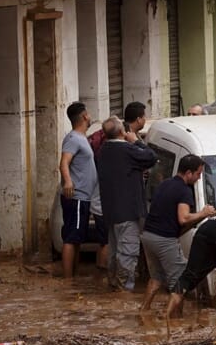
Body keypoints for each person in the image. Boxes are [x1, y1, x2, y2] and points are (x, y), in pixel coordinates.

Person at [140, 155, 216, 311]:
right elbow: (183, 218)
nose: (199, 178)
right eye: (198, 174)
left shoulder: (165, 184)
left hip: (148, 236)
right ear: (188, 173)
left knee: (156, 277)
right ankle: (173, 319)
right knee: (181, 281)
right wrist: (203, 213)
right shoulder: (184, 190)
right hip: (164, 240)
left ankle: (144, 310)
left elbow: (169, 215)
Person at [96, 116, 156, 291]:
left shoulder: (103, 150)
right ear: (122, 132)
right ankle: (124, 292)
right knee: (127, 253)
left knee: (115, 252)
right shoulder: (127, 150)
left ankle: (114, 285)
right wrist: (136, 141)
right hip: (128, 212)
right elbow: (151, 157)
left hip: (110, 212)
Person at [59, 102, 106, 279]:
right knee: (72, 237)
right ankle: (68, 280)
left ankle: (73, 277)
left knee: (77, 238)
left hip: (84, 197)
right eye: (89, 112)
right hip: (76, 196)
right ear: (85, 116)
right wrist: (68, 182)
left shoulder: (81, 138)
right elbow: (64, 162)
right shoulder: (73, 139)